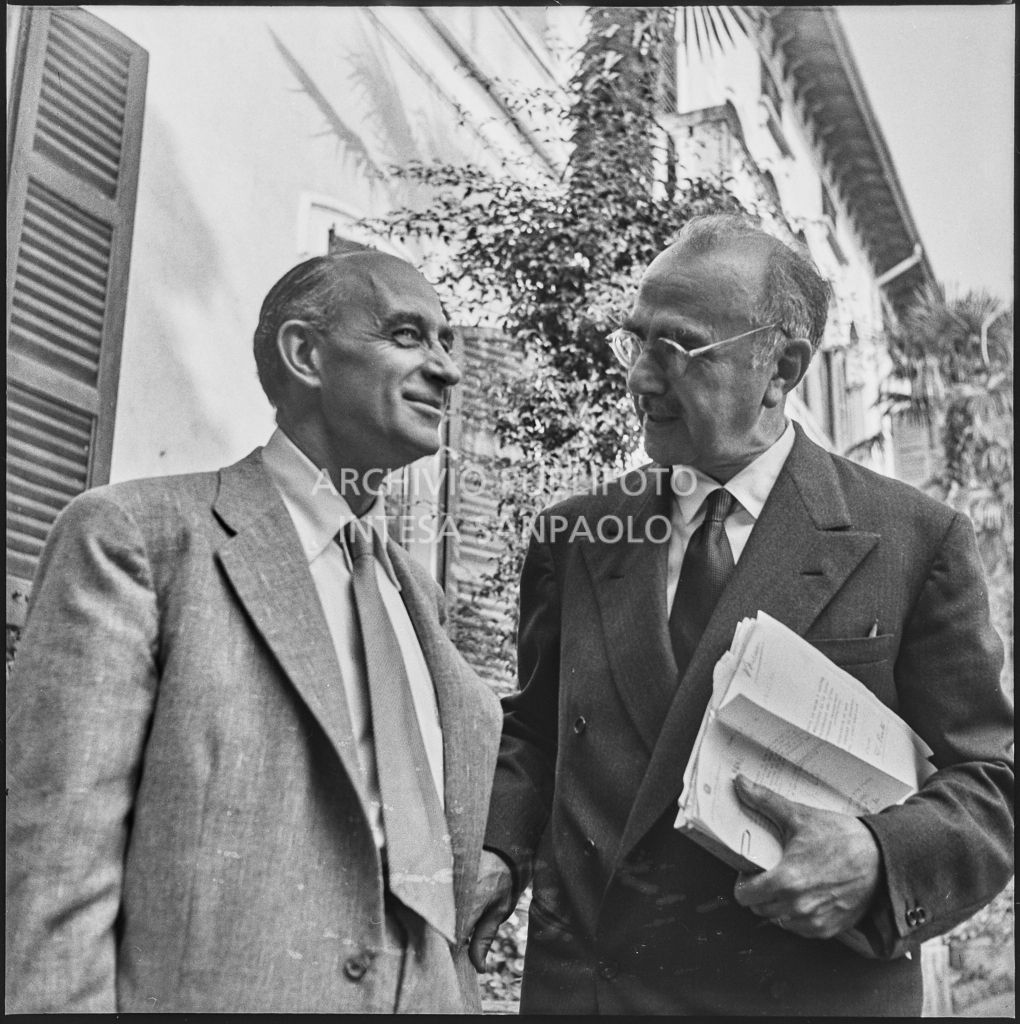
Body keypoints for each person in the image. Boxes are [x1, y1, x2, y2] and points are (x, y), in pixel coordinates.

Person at [470, 215, 1014, 1015]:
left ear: (780, 367)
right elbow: (537, 734)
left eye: (678, 349)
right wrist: (497, 851)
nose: (640, 380)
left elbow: (991, 783)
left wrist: (877, 856)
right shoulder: (578, 535)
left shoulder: (913, 541)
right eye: (636, 341)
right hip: (591, 991)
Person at [6, 251, 502, 1013]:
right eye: (408, 336)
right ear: (305, 354)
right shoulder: (136, 538)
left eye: (447, 342)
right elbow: (57, 869)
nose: (447, 370)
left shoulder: (419, 599)